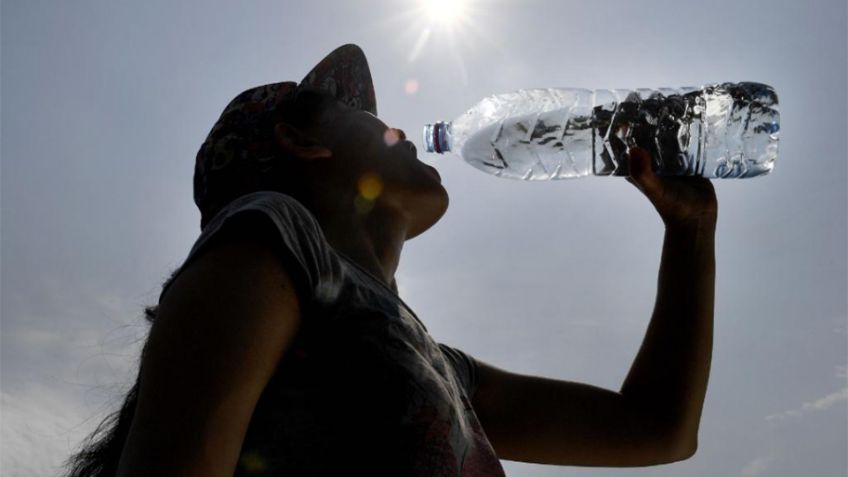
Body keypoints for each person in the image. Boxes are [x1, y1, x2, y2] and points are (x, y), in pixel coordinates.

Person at [65, 44, 717, 477]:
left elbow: (659, 428)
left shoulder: (443, 369)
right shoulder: (271, 238)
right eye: (365, 117)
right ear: (300, 138)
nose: (400, 132)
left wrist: (690, 230)